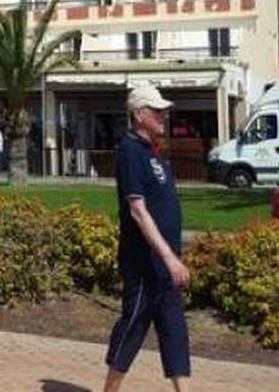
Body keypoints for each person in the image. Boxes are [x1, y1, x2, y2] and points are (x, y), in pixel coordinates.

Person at [104, 85, 190, 391]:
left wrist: (172, 259)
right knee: (133, 327)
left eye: (164, 111)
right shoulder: (130, 151)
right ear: (139, 114)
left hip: (165, 265)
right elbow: (138, 211)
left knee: (174, 331)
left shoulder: (153, 151)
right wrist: (169, 258)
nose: (163, 116)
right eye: (156, 111)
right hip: (143, 263)